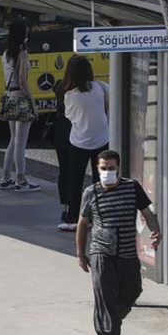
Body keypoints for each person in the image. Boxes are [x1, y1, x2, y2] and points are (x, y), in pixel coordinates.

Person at [77, 150, 161, 335]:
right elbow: (83, 224)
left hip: (127, 252)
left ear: (119, 168)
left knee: (133, 290)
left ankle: (111, 319)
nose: (107, 172)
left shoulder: (131, 188)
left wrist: (155, 231)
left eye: (111, 168)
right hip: (101, 253)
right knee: (106, 298)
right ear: (97, 168)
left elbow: (148, 213)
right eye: (103, 168)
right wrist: (81, 253)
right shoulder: (91, 192)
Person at [64, 56, 110, 225]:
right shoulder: (100, 87)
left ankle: (74, 216)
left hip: (79, 142)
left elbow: (70, 116)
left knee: (75, 180)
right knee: (100, 180)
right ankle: (100, 215)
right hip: (102, 138)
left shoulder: (70, 95)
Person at [0, 21, 40, 193]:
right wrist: (32, 101)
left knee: (13, 139)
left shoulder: (5, 54)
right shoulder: (23, 54)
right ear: (23, 35)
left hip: (9, 96)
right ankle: (21, 180)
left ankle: (6, 177)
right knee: (20, 142)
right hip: (21, 98)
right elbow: (23, 81)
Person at [51, 73, 76, 230]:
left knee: (64, 172)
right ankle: (77, 208)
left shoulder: (60, 86)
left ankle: (66, 208)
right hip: (76, 131)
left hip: (60, 131)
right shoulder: (82, 89)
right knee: (75, 173)